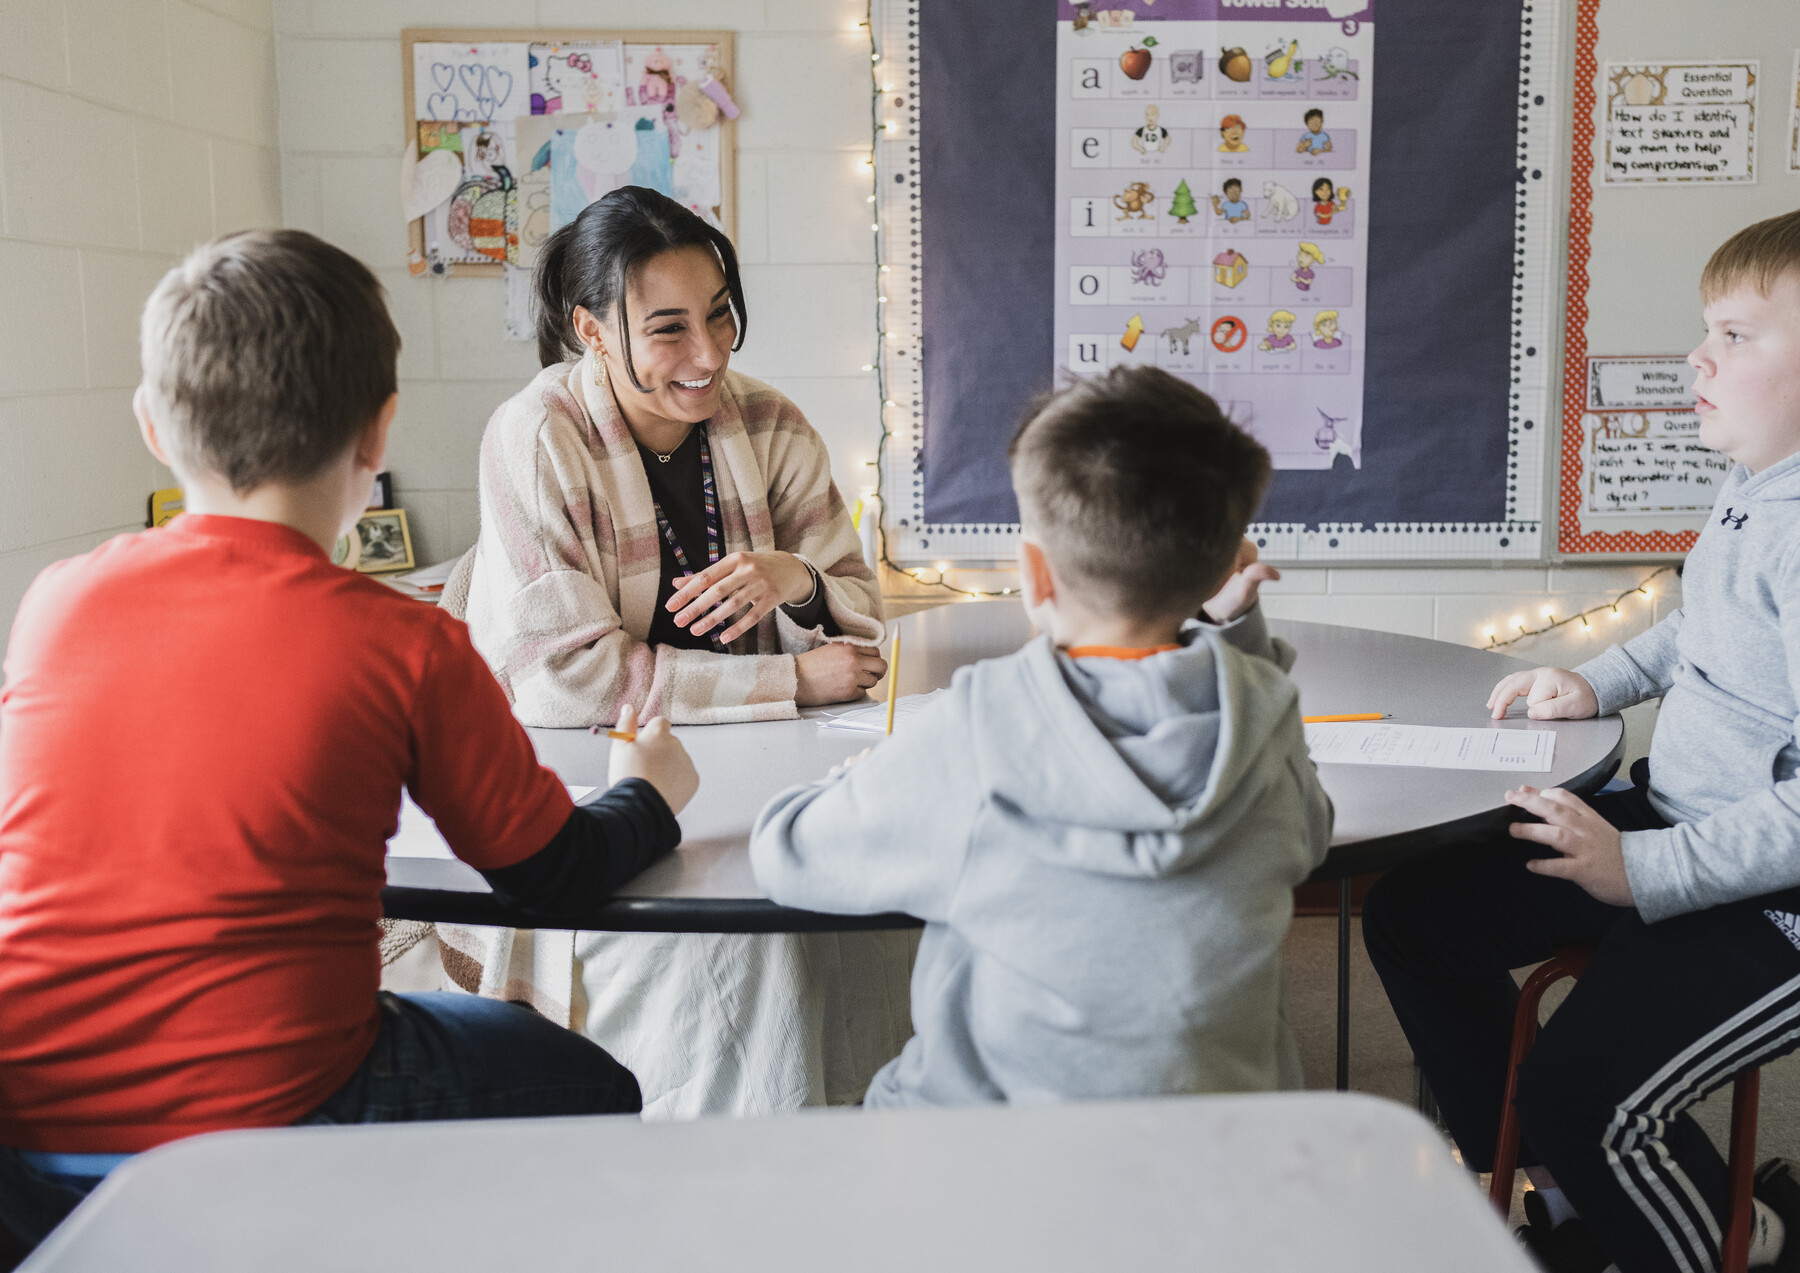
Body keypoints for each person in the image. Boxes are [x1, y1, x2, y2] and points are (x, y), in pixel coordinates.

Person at [0, 230, 701, 1253]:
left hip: (36, 1137)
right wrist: (649, 791)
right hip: (285, 1113)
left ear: (154, 426)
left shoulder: (54, 602)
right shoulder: (402, 641)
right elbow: (550, 874)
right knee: (594, 1082)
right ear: (379, 434)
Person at [1362, 208, 1800, 1273]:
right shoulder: (1754, 491)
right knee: (1415, 915)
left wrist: (1637, 868)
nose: (1698, 356)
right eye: (1709, 329)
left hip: (1772, 900)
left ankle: (1739, 1245)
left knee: (1582, 1092)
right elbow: (1701, 628)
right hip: (1682, 831)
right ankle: (1575, 1209)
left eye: (1737, 335)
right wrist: (1591, 676)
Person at [445, 186, 911, 1119]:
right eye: (668, 329)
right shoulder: (534, 437)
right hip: (601, 776)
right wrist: (786, 676)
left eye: (720, 316)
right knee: (747, 951)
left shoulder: (769, 422)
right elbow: (559, 675)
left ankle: (866, 1139)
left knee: (887, 909)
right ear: (593, 331)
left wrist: (798, 582)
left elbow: (862, 622)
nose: (708, 356)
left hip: (772, 763)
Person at [749, 366, 1332, 1106]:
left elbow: (790, 857)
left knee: (884, 1098)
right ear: (1225, 563)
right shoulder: (1266, 712)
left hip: (1006, 1161)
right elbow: (1308, 838)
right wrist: (1242, 646)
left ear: (1035, 575)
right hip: (1214, 1147)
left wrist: (855, 778)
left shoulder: (985, 724)